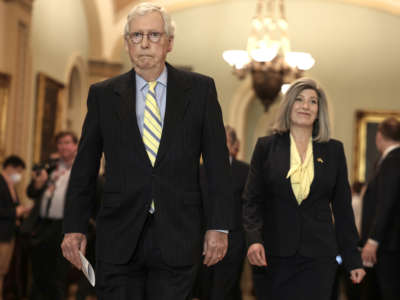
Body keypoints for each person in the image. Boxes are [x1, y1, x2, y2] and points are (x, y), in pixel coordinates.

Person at [61, 3, 234, 300]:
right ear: (127, 42)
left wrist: (219, 227)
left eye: (154, 35)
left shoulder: (201, 90)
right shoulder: (103, 94)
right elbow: (85, 167)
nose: (144, 43)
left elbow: (218, 166)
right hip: (118, 234)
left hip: (179, 234)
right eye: (136, 35)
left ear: (169, 43)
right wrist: (74, 227)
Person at [243, 77, 365, 300]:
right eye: (299, 100)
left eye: (313, 102)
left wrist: (352, 258)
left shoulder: (334, 151)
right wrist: (253, 240)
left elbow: (343, 210)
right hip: (272, 255)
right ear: (289, 106)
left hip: (319, 257)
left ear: (319, 111)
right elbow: (252, 201)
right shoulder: (265, 147)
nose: (305, 106)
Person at [194, 126, 249, 300]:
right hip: (202, 243)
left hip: (233, 243)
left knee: (224, 292)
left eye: (222, 140)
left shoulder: (245, 172)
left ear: (233, 146)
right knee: (204, 291)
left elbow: (249, 207)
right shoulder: (198, 170)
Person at [25, 131, 78, 300]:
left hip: (64, 227)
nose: (63, 146)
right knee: (39, 272)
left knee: (58, 275)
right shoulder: (50, 166)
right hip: (42, 226)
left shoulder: (81, 168)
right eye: (60, 143)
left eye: (68, 142)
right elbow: (31, 192)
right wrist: (38, 182)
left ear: (75, 146)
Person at [361, 117, 400, 300]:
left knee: (388, 292)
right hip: (389, 242)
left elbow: (386, 202)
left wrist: (373, 240)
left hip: (388, 244)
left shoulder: (392, 161)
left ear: (379, 136)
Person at [0, 155, 30, 300]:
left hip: (9, 233)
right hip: (1, 234)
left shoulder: (11, 185)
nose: (19, 175)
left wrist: (21, 211)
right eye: (19, 171)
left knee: (3, 270)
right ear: (10, 167)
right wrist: (15, 212)